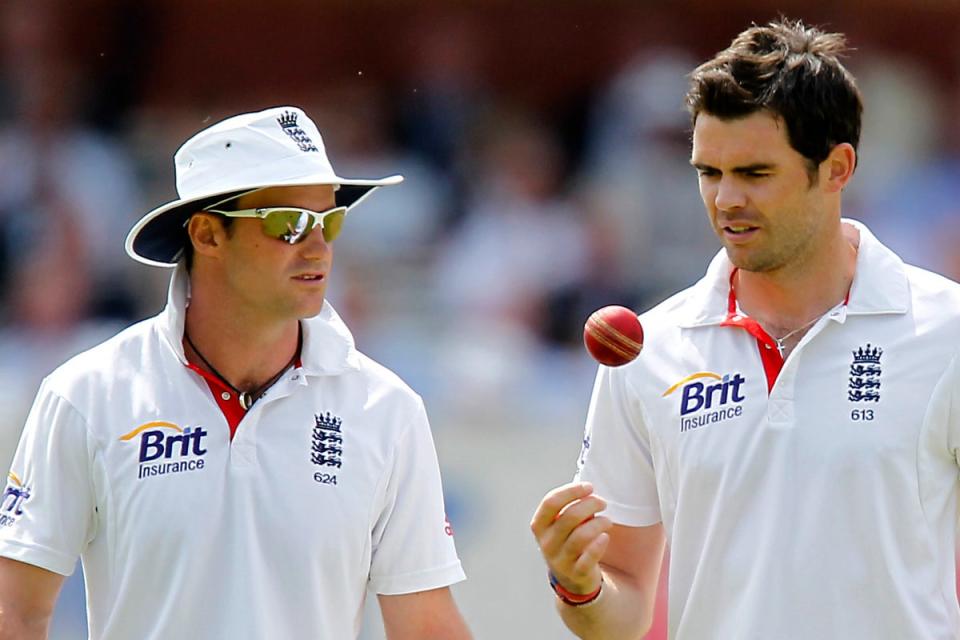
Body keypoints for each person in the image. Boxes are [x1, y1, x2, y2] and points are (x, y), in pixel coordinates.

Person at [531, 19, 960, 639]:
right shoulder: (649, 350)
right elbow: (619, 615)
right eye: (709, 172)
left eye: (755, 173)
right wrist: (580, 585)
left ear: (837, 168)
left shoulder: (946, 330)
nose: (726, 199)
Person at [0, 106, 472, 640]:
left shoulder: (388, 409)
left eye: (329, 220)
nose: (319, 246)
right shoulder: (85, 394)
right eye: (289, 223)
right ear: (206, 234)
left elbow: (426, 626)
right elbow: (15, 611)